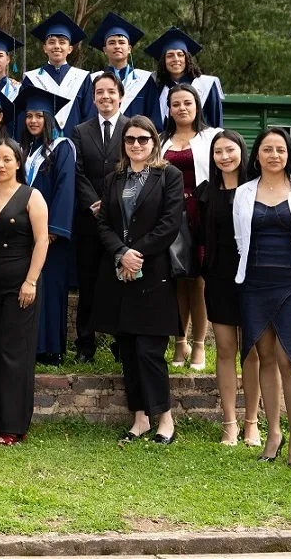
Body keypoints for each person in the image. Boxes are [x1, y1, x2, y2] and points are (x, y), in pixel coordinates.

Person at [233, 126, 291, 469]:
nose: (274, 155)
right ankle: (273, 433)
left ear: (289, 155)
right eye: (267, 149)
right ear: (256, 155)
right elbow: (240, 239)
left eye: (281, 150)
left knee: (290, 360)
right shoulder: (244, 192)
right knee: (264, 356)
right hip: (255, 283)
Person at [91, 116, 184, 444]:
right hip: (120, 274)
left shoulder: (169, 175)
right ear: (123, 144)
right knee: (128, 349)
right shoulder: (114, 177)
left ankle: (165, 420)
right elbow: (103, 223)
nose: (136, 145)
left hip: (154, 272)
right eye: (130, 140)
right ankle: (140, 418)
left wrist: (136, 253)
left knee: (149, 350)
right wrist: (121, 252)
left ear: (153, 142)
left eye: (143, 139)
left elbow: (170, 222)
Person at [0, 138, 49, 445]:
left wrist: (31, 281)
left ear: (18, 163)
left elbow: (42, 241)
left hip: (22, 283)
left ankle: (13, 426)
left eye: (7, 159)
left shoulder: (32, 196)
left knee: (14, 354)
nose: (1, 165)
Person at [196, 130, 264, 447]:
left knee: (251, 352)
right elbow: (198, 237)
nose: (225, 157)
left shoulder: (258, 188)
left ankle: (252, 422)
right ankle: (230, 423)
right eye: (218, 152)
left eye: (230, 150)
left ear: (242, 151)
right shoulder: (206, 192)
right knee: (225, 349)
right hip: (219, 278)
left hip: (253, 278)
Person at [160, 83, 222, 370]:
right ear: (169, 109)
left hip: (202, 212)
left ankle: (199, 345)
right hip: (169, 214)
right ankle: (179, 342)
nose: (181, 108)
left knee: (197, 282)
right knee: (175, 281)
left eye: (187, 103)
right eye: (175, 104)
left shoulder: (212, 138)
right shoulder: (160, 140)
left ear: (197, 106)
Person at [14, 83, 76, 365]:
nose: (34, 121)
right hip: (22, 232)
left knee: (48, 287)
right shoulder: (21, 150)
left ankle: (51, 348)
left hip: (50, 235)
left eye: (40, 116)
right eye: (29, 116)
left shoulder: (62, 148)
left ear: (50, 119)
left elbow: (65, 189)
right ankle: (27, 344)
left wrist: (53, 229)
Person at [70, 72, 127, 364]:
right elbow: (77, 171)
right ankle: (85, 343)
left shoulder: (134, 128)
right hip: (89, 219)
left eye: (110, 91)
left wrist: (113, 202)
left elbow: (136, 167)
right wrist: (94, 202)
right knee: (89, 281)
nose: (105, 96)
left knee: (121, 281)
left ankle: (122, 343)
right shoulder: (80, 130)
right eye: (99, 92)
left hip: (123, 219)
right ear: (93, 99)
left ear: (120, 95)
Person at [25, 11, 95, 135]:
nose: (57, 46)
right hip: (41, 147)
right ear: (45, 48)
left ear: (70, 49)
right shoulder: (31, 79)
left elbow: (89, 117)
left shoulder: (83, 78)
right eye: (51, 42)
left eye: (62, 42)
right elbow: (25, 117)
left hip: (76, 146)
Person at [145, 27, 224, 131]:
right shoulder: (157, 88)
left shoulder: (206, 85)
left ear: (187, 58)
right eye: (170, 55)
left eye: (180, 55)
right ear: (163, 61)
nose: (176, 59)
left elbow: (216, 122)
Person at [88, 12, 156, 119]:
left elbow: (154, 116)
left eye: (121, 42)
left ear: (129, 49)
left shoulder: (145, 80)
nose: (117, 46)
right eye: (111, 43)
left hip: (137, 134)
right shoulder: (92, 80)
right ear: (105, 50)